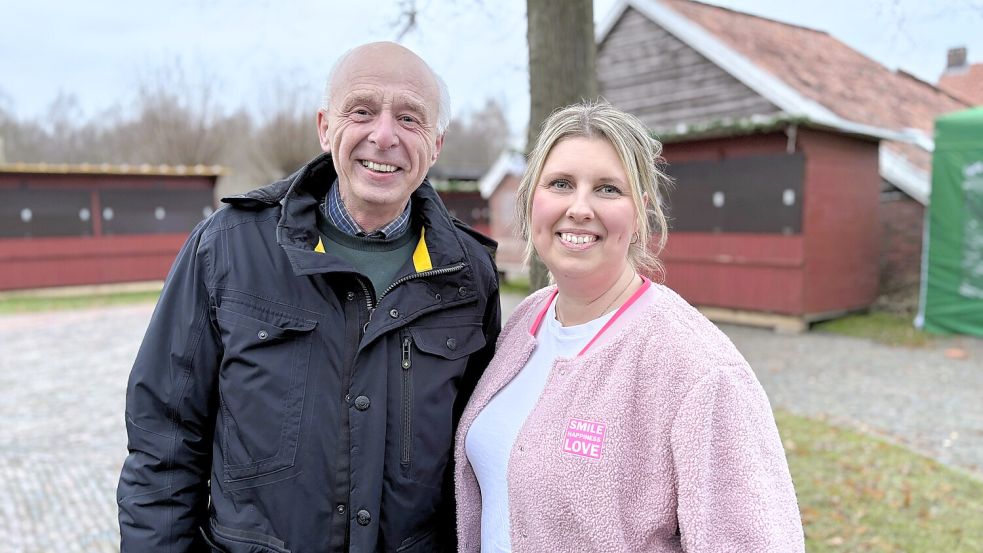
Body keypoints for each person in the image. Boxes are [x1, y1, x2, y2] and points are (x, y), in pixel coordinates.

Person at [117, 42, 501, 553]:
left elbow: (477, 459)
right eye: (361, 111)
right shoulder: (228, 248)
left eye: (409, 119)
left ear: (436, 144)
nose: (383, 136)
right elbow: (163, 443)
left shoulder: (468, 276)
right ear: (325, 127)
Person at [454, 101, 804, 552]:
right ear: (531, 201)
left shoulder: (700, 372)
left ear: (640, 213)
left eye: (607, 189)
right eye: (560, 183)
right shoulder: (525, 323)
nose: (579, 208)